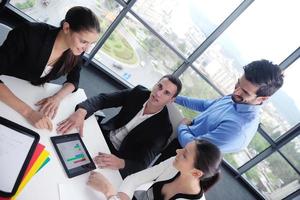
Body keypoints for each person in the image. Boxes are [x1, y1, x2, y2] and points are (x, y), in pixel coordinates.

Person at [155, 60, 284, 164]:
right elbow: (207, 105)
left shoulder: (239, 129)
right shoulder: (236, 98)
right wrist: (175, 98)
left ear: (262, 99)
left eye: (245, 92)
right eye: (238, 84)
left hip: (188, 160)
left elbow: (194, 148)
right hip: (182, 139)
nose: (236, 91)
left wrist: (183, 127)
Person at [57, 75, 182, 177]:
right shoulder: (139, 93)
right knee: (62, 147)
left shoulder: (163, 129)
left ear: (171, 100)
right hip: (103, 136)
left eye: (166, 93)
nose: (158, 93)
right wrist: (82, 111)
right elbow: (103, 99)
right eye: (159, 86)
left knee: (80, 177)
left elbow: (142, 163)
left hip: (117, 157)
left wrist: (121, 163)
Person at [0, 6, 100, 130]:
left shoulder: (75, 50)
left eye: (91, 43)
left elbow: (74, 79)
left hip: (28, 94)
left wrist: (57, 97)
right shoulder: (28, 33)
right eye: (84, 41)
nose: (87, 49)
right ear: (66, 28)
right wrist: (28, 113)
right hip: (7, 89)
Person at [87, 139, 222, 200]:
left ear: (196, 173)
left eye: (184, 154)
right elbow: (134, 179)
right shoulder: (175, 163)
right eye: (183, 148)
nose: (177, 151)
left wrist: (109, 192)